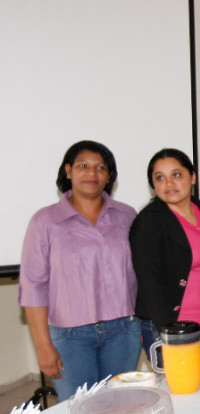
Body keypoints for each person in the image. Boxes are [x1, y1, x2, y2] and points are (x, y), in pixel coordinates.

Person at [20, 141, 141, 400]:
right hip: (69, 337)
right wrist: (43, 346)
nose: (92, 173)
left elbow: (142, 274)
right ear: (68, 171)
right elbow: (33, 286)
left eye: (100, 167)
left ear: (109, 175)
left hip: (123, 333)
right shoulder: (45, 221)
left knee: (119, 410)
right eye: (83, 166)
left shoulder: (127, 216)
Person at [130, 148, 200, 364]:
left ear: (193, 177)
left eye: (176, 175)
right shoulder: (149, 222)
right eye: (160, 178)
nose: (169, 183)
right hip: (172, 328)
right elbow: (149, 282)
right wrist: (169, 333)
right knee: (182, 393)